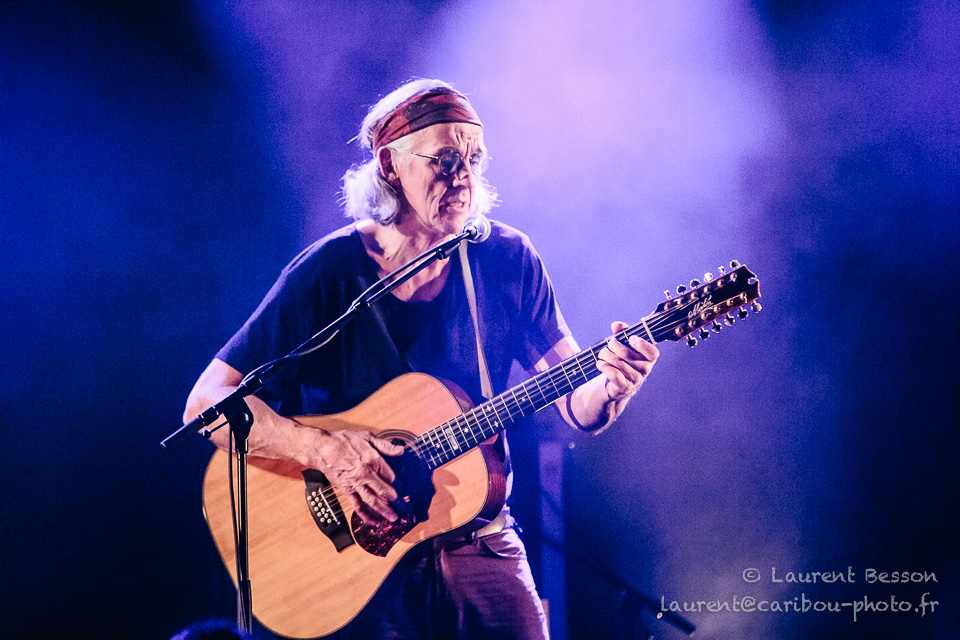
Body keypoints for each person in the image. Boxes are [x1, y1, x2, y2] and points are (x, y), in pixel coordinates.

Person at [184, 79, 659, 639]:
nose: (464, 178)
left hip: (478, 540)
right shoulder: (329, 272)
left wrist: (612, 387)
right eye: (445, 160)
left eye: (473, 160)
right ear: (390, 165)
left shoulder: (505, 259)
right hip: (357, 558)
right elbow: (206, 405)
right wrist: (326, 451)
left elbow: (577, 404)